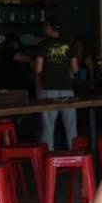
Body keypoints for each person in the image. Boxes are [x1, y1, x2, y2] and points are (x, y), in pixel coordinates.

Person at [34, 19, 79, 149]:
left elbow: (38, 69)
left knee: (48, 127)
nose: (44, 29)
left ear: (49, 28)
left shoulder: (43, 45)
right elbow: (75, 69)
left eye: (46, 26)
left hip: (48, 88)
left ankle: (49, 158)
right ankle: (74, 155)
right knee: (71, 127)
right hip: (67, 89)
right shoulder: (68, 45)